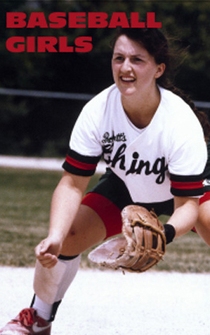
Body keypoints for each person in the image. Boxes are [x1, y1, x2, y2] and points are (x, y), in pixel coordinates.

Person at [0, 27, 209, 335]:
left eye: (137, 59)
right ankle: (38, 320)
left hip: (184, 193)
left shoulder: (179, 122)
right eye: (119, 58)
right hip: (126, 187)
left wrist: (163, 233)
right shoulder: (98, 110)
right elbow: (72, 183)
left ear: (158, 69)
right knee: (68, 236)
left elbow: (187, 204)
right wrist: (55, 236)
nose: (125, 67)